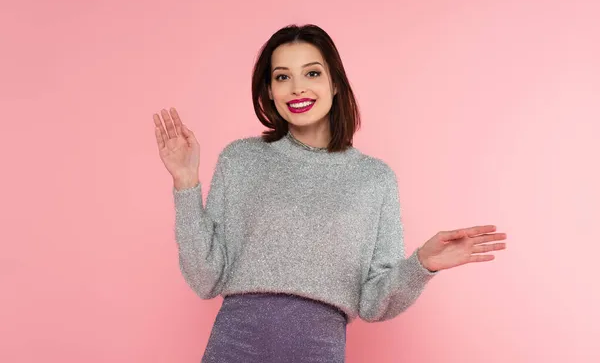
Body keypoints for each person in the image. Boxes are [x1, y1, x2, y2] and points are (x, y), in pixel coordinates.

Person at [152, 24, 507, 362]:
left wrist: (421, 265)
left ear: (335, 83)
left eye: (312, 73)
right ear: (270, 90)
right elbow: (205, 278)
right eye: (282, 77)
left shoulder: (374, 179)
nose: (296, 88)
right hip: (234, 347)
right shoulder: (240, 159)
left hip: (317, 351)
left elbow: (373, 302)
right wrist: (185, 183)